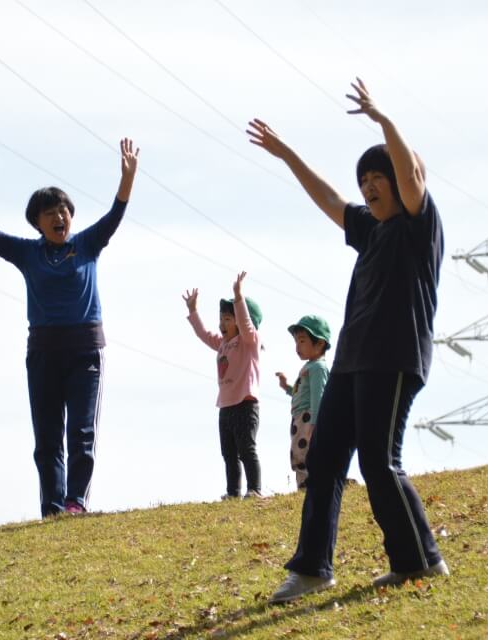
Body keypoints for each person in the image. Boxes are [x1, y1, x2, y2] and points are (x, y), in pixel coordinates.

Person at [247, 77, 448, 603]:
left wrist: (384, 123)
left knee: (380, 463)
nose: (370, 188)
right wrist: (287, 154)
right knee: (326, 461)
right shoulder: (370, 228)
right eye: (366, 182)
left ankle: (421, 560)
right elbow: (329, 198)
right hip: (353, 362)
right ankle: (313, 567)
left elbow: (410, 178)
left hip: (395, 358)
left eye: (379, 178)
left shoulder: (419, 225)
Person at [0, 138, 140, 518]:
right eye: (49, 212)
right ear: (37, 222)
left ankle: (75, 502)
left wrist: (127, 178)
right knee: (47, 438)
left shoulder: (87, 244)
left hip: (85, 353)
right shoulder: (27, 253)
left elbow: (115, 214)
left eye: (63, 209)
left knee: (81, 434)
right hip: (44, 353)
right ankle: (51, 507)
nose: (58, 216)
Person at [183, 272, 264, 499]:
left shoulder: (249, 342)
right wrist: (193, 311)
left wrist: (238, 297)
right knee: (228, 453)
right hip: (226, 406)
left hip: (245, 404)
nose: (222, 323)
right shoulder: (223, 344)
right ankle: (233, 492)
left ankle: (255, 488)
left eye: (228, 319)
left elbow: (246, 325)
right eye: (221, 318)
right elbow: (204, 334)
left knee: (246, 449)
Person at [275, 315, 331, 490]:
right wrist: (287, 388)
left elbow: (318, 396)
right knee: (298, 453)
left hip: (308, 418)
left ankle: (310, 485)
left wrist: (315, 422)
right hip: (300, 418)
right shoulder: (310, 366)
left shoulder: (318, 367)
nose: (297, 347)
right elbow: (302, 393)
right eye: (296, 342)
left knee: (304, 453)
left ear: (320, 343)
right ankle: (304, 485)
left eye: (302, 341)